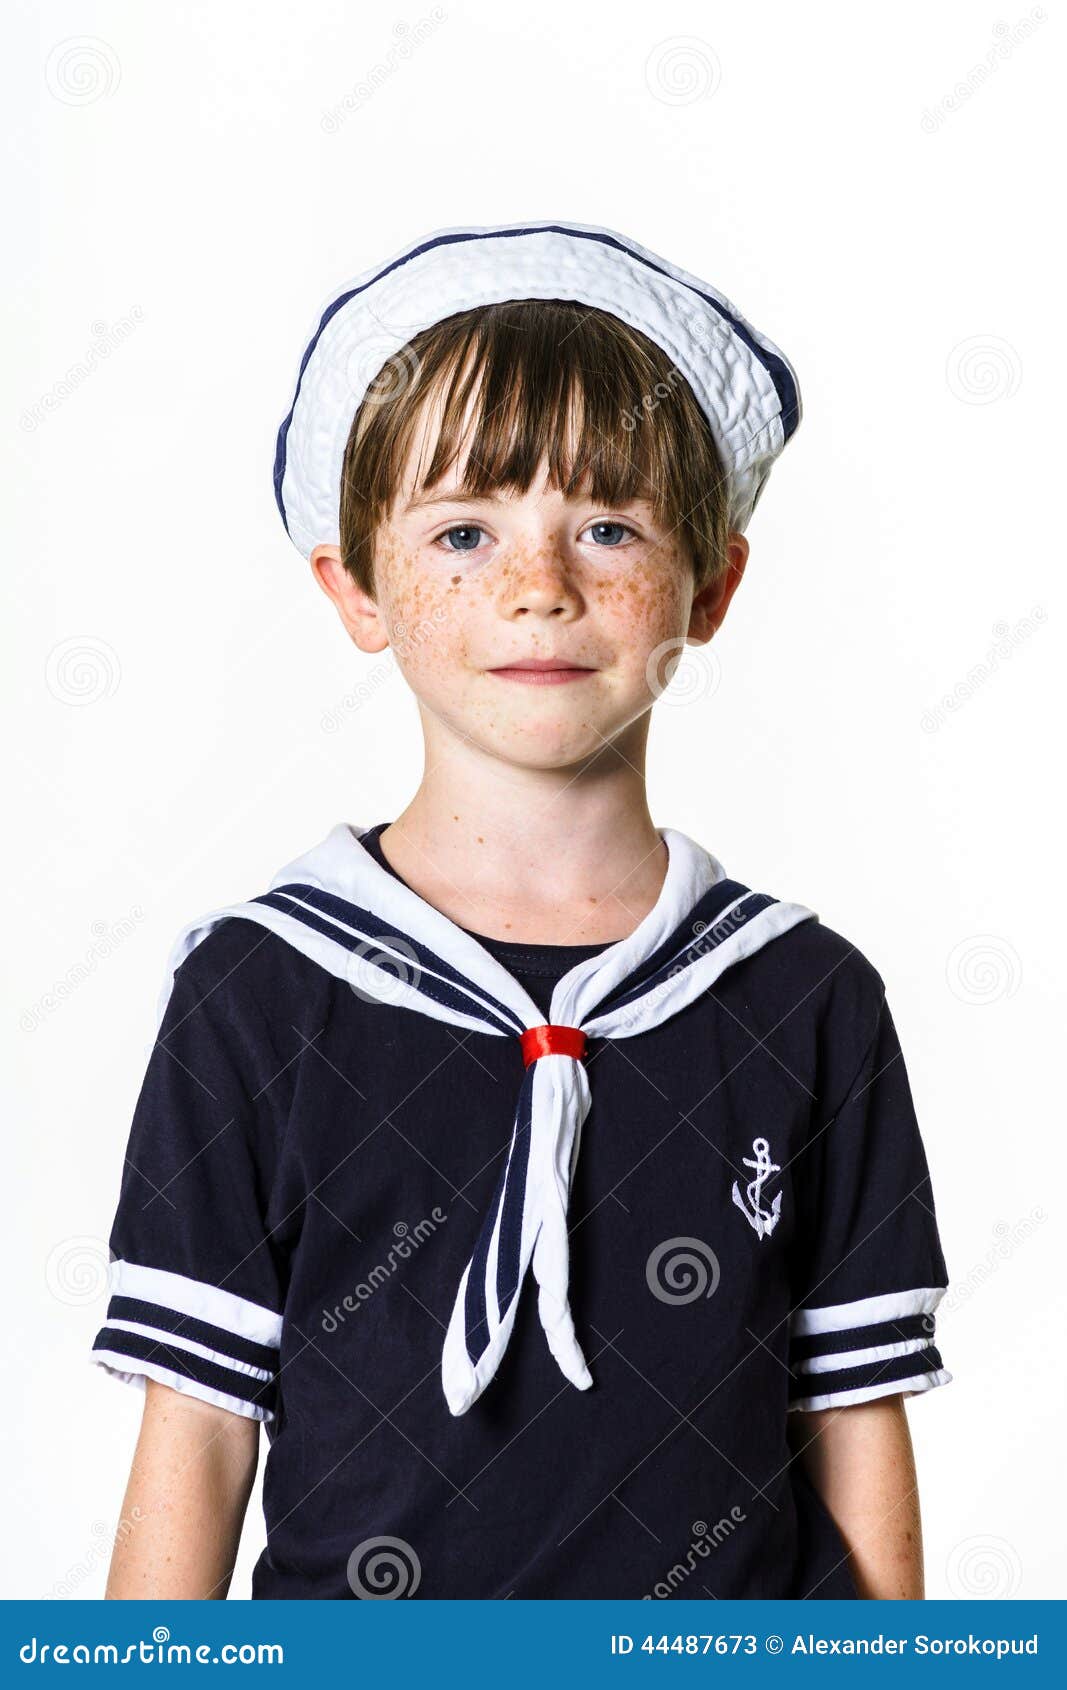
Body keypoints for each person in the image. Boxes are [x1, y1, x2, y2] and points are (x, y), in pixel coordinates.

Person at [90, 221, 952, 1600]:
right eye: (463, 531)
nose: (539, 586)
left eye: (608, 528)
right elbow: (195, 1434)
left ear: (712, 585)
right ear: (356, 588)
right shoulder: (258, 990)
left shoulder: (805, 995)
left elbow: (851, 1417)